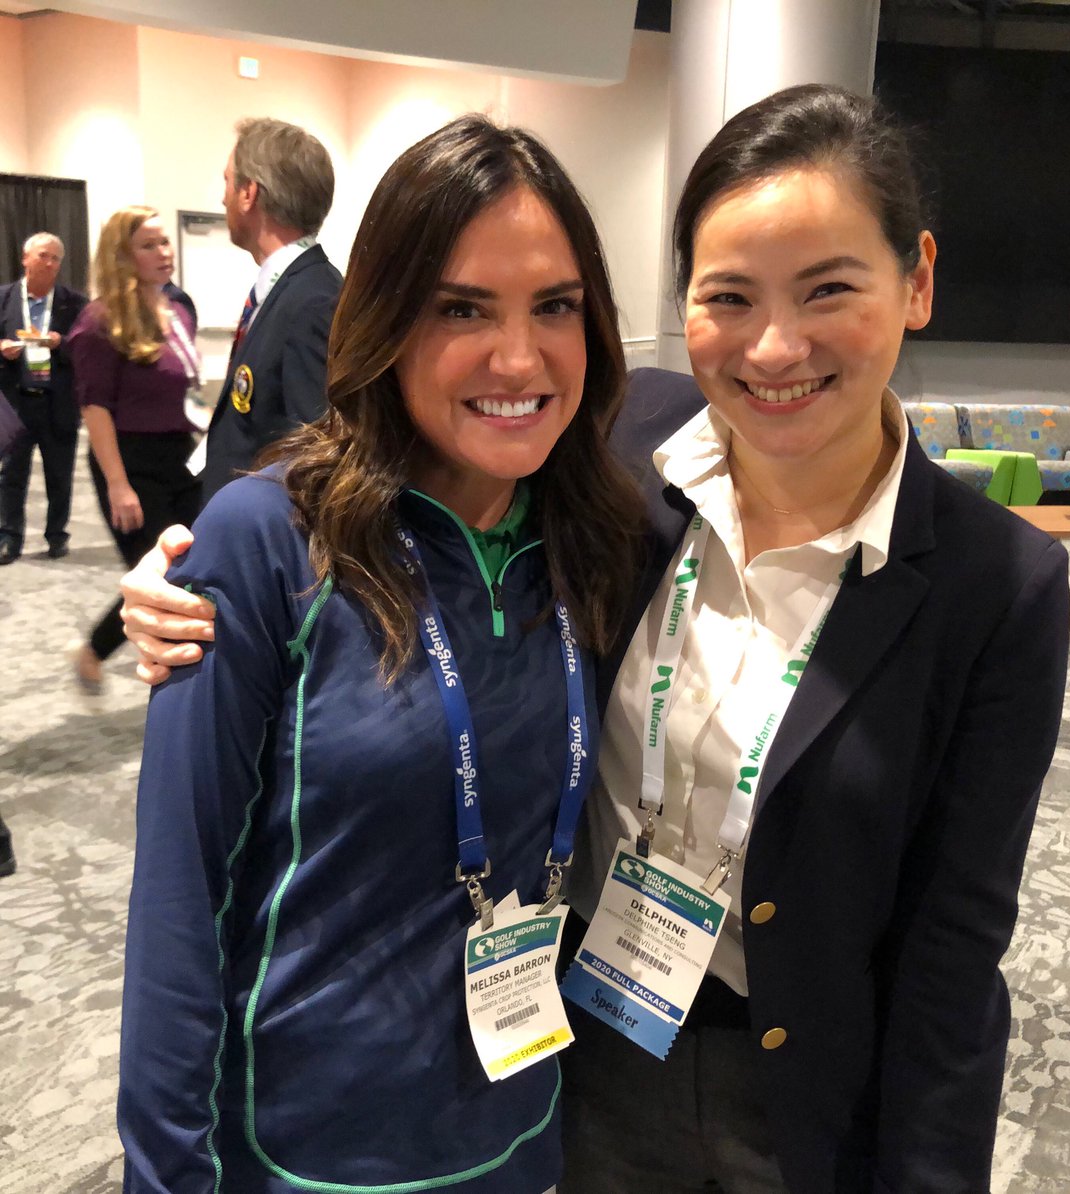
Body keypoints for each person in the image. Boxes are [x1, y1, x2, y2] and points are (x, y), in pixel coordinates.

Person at [121, 86, 1070, 1194]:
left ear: (915, 282)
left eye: (830, 289)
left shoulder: (991, 583)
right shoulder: (623, 463)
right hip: (583, 1067)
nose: (776, 346)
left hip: (800, 1102)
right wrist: (190, 580)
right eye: (730, 295)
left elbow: (955, 954)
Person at [117, 117, 642, 1192]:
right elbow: (179, 911)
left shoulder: (596, 541)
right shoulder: (269, 542)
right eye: (461, 309)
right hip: (298, 1158)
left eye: (556, 307)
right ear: (388, 321)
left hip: (519, 1137)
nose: (518, 357)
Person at [67, 207, 203, 693]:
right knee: (160, 577)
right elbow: (95, 408)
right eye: (149, 245)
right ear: (123, 256)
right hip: (129, 460)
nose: (164, 253)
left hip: (181, 454)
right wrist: (118, 485)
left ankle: (155, 664)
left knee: (197, 563)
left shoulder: (179, 310)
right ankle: (103, 653)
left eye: (165, 242)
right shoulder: (100, 321)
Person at [199, 116, 341, 504]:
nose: (222, 198)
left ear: (249, 193)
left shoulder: (313, 302)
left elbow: (318, 457)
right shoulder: (288, 289)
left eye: (227, 182)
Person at [0, 232, 87, 564]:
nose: (49, 263)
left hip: (57, 402)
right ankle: (9, 537)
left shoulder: (75, 303)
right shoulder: (4, 298)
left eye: (55, 258)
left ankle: (56, 535)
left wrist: (60, 344)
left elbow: (86, 351)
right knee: (11, 474)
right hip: (15, 401)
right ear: (25, 258)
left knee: (59, 473)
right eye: (43, 256)